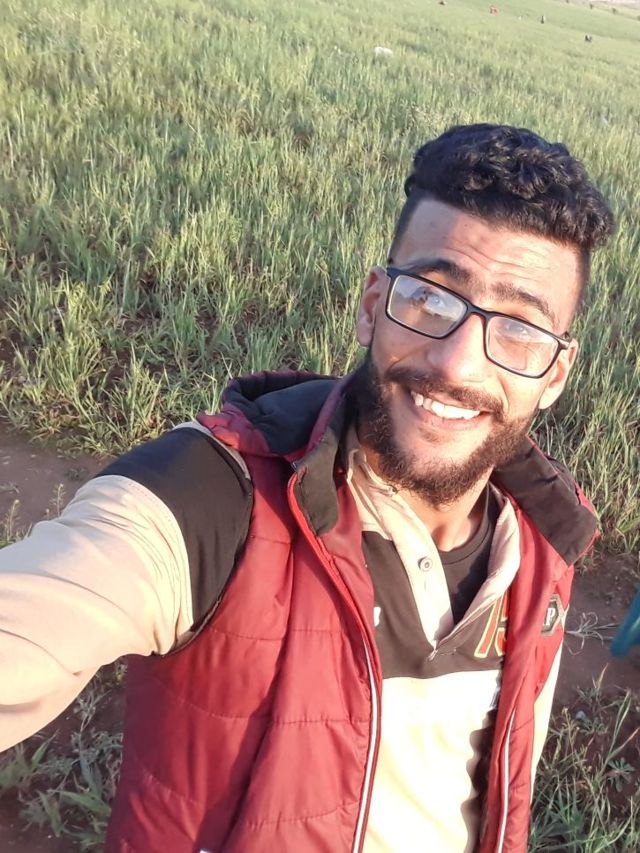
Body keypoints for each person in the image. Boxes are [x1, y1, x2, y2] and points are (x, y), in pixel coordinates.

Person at [0, 123, 615, 853]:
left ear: (556, 373)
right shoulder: (212, 503)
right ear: (371, 304)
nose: (458, 363)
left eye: (519, 330)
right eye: (430, 298)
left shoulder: (543, 539)